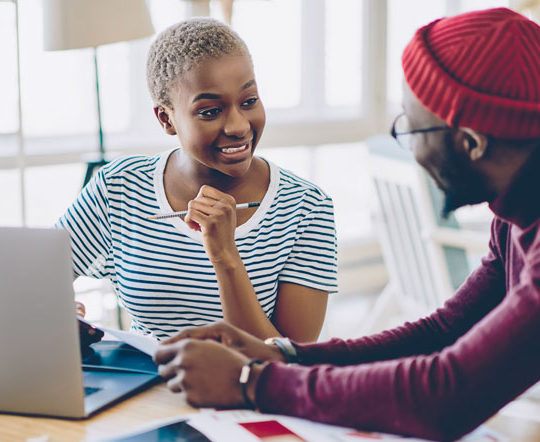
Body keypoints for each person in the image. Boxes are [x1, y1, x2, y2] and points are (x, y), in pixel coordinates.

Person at [152, 8, 540, 442]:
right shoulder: (535, 195)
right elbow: (446, 330)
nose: (406, 144)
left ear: (471, 141)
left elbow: (451, 393)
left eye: (413, 128)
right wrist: (285, 357)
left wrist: (255, 383)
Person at [56, 18, 338, 342]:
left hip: (248, 393)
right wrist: (51, 310)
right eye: (209, 111)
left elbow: (292, 365)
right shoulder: (118, 189)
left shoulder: (306, 208)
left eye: (248, 102)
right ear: (166, 118)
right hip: (145, 391)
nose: (238, 126)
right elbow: (31, 281)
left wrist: (226, 257)